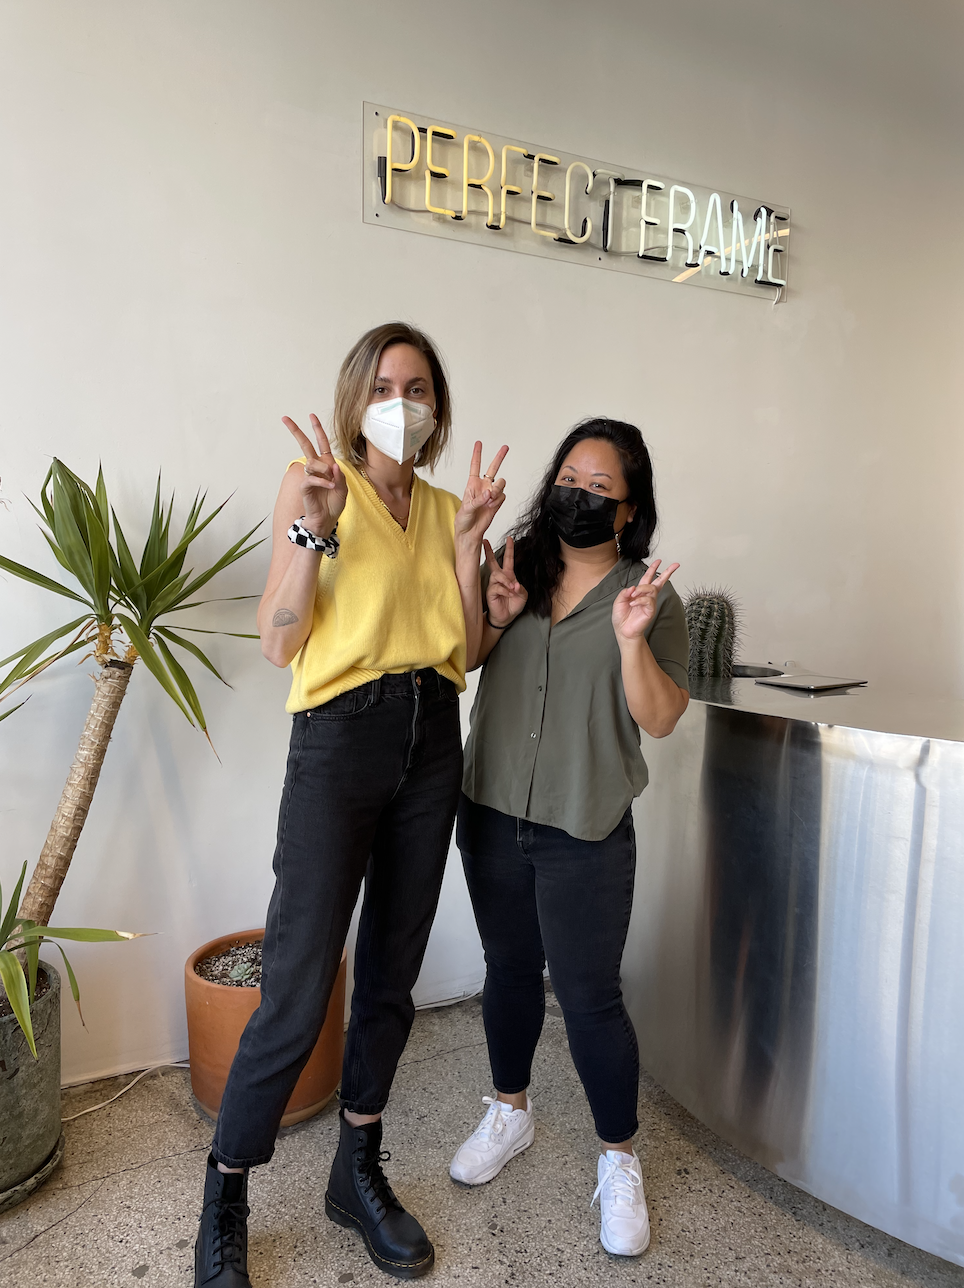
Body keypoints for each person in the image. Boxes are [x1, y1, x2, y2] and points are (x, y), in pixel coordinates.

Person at [194, 321, 508, 1286]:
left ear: (438, 408)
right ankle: (226, 1195)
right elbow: (281, 641)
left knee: (389, 974)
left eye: (418, 387)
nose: (401, 403)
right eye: (384, 384)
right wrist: (314, 531)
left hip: (429, 736)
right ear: (354, 396)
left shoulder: (453, 505)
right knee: (294, 985)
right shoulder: (314, 485)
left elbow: (463, 653)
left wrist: (467, 553)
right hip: (339, 738)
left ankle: (356, 1171)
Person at [450, 417, 689, 1258]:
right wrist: (493, 601)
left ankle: (618, 1159)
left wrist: (630, 641)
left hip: (585, 828)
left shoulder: (649, 597)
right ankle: (509, 1110)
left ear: (628, 511)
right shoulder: (517, 564)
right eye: (570, 480)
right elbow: (467, 654)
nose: (578, 497)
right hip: (489, 813)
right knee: (507, 972)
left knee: (589, 998)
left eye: (600, 490)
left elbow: (659, 719)